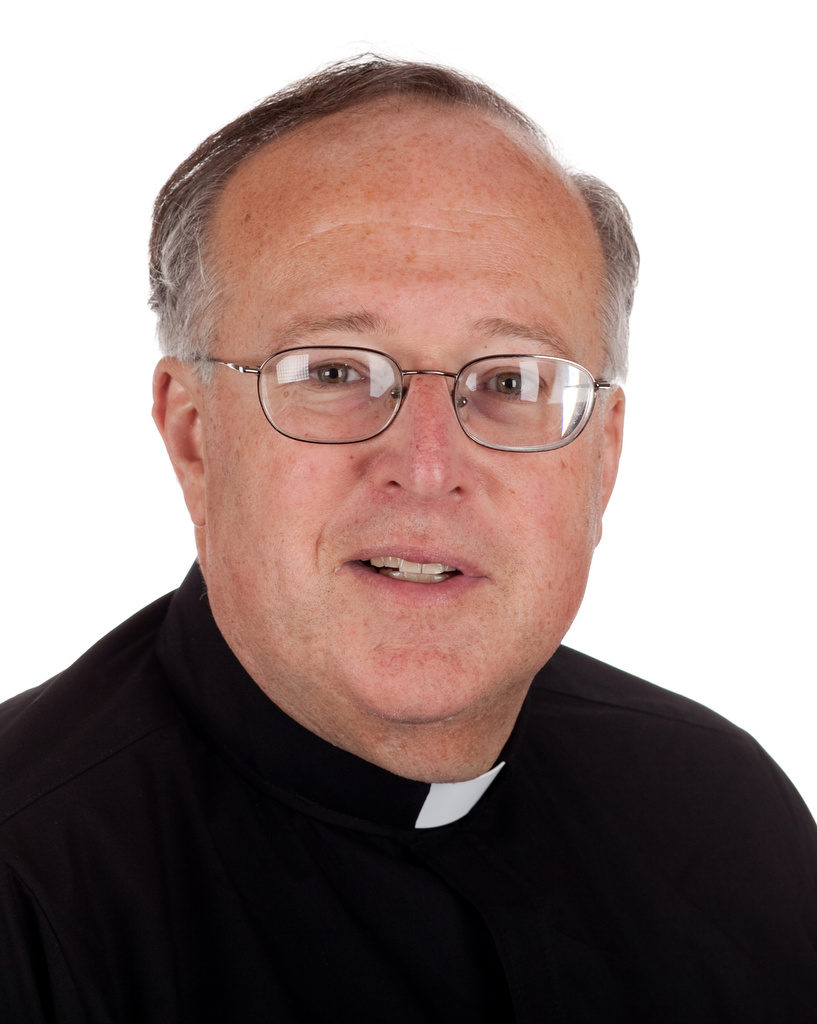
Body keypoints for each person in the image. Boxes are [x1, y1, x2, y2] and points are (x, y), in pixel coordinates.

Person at [1, 56, 815, 1023]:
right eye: (336, 371)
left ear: (601, 457)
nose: (426, 466)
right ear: (194, 435)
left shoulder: (724, 813)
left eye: (510, 382)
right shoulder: (21, 892)